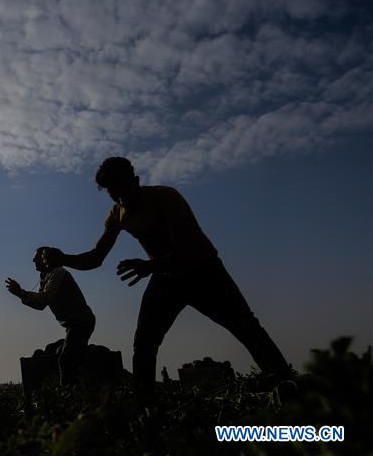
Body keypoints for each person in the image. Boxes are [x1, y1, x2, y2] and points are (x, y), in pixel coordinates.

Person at [41, 157, 290, 398]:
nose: (119, 196)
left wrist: (149, 266)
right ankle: (144, 403)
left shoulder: (164, 197)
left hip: (204, 270)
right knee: (145, 341)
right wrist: (63, 258)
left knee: (246, 328)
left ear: (135, 180)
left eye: (121, 188)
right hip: (166, 277)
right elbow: (95, 258)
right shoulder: (117, 213)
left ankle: (287, 384)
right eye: (111, 192)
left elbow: (188, 249)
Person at [6, 247, 96, 386]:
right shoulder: (45, 276)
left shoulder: (58, 272)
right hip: (72, 324)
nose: (34, 260)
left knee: (66, 361)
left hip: (80, 322)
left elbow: (46, 298)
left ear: (45, 259)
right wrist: (20, 294)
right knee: (66, 355)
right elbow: (40, 305)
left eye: (37, 257)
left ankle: (70, 395)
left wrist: (22, 292)